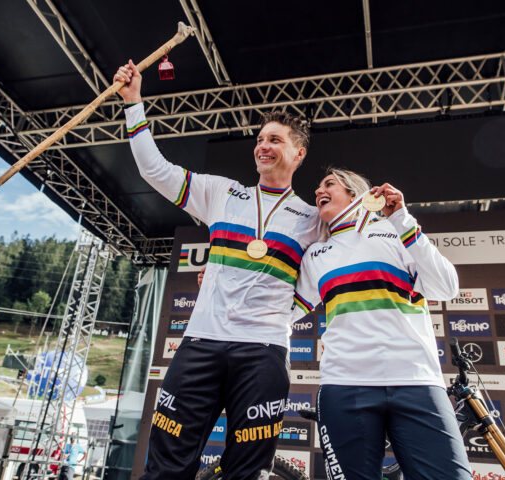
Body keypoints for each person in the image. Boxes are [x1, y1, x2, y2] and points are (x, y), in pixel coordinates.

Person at [114, 60, 322, 479]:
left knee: (246, 470)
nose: (263, 146)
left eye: (275, 140)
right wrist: (133, 103)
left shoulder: (312, 218)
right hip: (201, 342)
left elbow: (326, 277)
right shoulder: (221, 192)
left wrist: (285, 313)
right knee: (167, 464)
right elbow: (155, 170)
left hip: (263, 351)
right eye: (260, 139)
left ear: (298, 153)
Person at [292, 168, 471, 480]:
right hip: (345, 384)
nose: (319, 191)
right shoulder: (316, 254)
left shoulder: (394, 231)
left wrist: (402, 219)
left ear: (354, 192)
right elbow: (285, 311)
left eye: (329, 184)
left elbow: (446, 287)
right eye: (318, 187)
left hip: (415, 381)